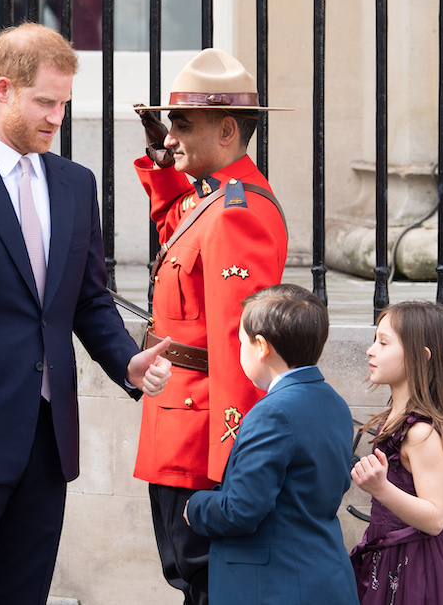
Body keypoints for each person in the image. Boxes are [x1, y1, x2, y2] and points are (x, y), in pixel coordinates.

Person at [0, 22, 173, 605]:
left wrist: (128, 363)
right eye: (45, 101)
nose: (56, 118)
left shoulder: (75, 183)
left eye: (64, 104)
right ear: (3, 90)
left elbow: (87, 299)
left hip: (49, 439)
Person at [131, 48, 289, 604]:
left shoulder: (238, 213)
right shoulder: (213, 200)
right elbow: (177, 229)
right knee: (190, 573)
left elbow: (240, 345)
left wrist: (232, 460)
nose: (171, 137)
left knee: (208, 580)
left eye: (182, 124)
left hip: (203, 442)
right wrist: (163, 161)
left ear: (227, 129)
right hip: (178, 426)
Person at [184, 284, 359, 604]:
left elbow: (241, 509)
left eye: (241, 342)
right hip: (323, 573)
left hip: (274, 586)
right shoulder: (334, 402)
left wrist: (194, 507)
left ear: (261, 346)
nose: (240, 350)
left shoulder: (273, 413)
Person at [349, 301, 443, 604]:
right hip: (389, 555)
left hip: (416, 566)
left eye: (383, 342)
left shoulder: (421, 433)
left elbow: (434, 519)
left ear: (420, 357)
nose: (370, 350)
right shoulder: (396, 417)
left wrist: (381, 488)